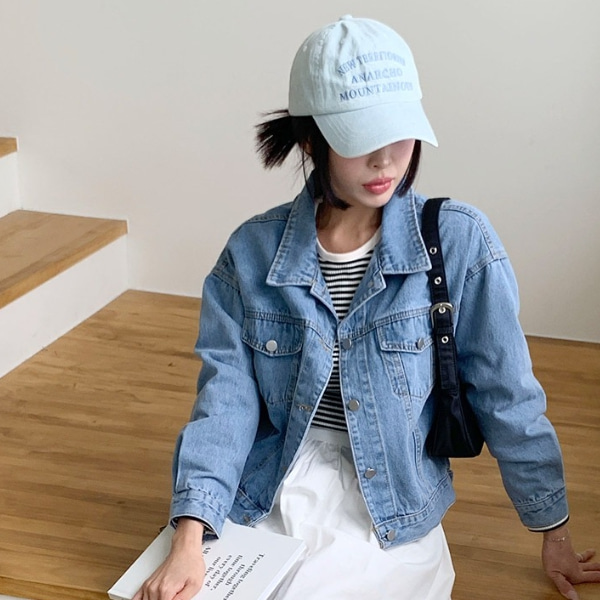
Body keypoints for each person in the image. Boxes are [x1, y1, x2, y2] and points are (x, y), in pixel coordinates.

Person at [134, 15, 600, 600]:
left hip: (390, 507)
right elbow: (225, 403)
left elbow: (507, 395)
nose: (385, 160)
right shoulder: (250, 255)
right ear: (310, 140)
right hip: (270, 492)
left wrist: (554, 531)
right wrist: (188, 537)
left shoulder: (460, 242)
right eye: (359, 140)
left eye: (399, 133)